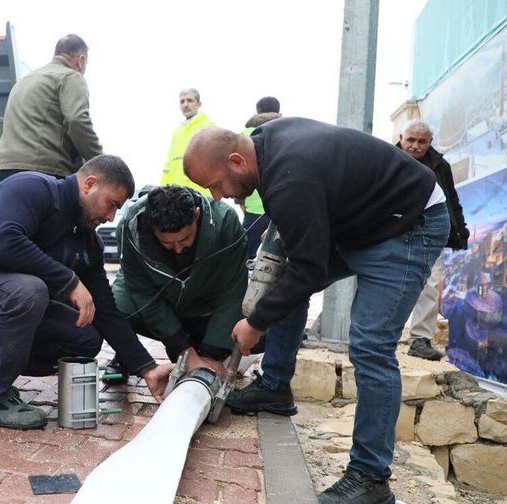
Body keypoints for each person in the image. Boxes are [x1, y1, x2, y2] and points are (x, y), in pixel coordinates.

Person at [183, 118, 449, 504]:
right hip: (364, 219)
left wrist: (255, 322)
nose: (218, 195)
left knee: (371, 345)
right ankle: (274, 387)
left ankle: (370, 479)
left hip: (407, 223)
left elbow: (309, 267)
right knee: (282, 283)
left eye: (215, 184)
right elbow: (302, 246)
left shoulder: (290, 179)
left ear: (238, 161)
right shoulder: (268, 145)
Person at [0, 154, 172, 430]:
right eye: (111, 204)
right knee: (30, 290)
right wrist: (69, 281)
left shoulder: (89, 242)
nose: (111, 216)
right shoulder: (32, 188)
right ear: (89, 184)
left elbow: (106, 311)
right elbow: (3, 245)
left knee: (84, 338)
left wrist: (147, 368)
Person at [104, 184, 306, 386]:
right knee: (113, 309)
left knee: (263, 331)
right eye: (167, 243)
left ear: (197, 215)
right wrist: (182, 348)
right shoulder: (131, 227)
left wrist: (211, 354)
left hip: (203, 309)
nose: (177, 249)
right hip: (156, 300)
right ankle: (127, 356)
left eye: (184, 239)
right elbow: (142, 292)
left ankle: (206, 347)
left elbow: (232, 291)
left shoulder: (225, 222)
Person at [397, 119, 470, 361]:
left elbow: (451, 199)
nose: (416, 146)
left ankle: (420, 339)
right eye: (411, 140)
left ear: (429, 142)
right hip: (393, 231)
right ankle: (379, 335)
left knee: (429, 285)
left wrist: (460, 232)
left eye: (422, 141)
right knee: (386, 280)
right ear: (401, 137)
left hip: (430, 232)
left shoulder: (440, 165)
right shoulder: (386, 157)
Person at [0, 34, 102, 186]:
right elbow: (77, 121)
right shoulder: (71, 77)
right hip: (42, 174)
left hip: (2, 172)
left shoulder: (25, 80)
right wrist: (101, 164)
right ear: (81, 60)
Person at [236, 109, 281, 258]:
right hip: (277, 210)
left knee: (244, 255)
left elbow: (238, 171)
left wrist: (241, 201)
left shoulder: (244, 134)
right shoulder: (281, 130)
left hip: (253, 210)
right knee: (279, 254)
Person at [160, 89, 216, 193]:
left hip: (199, 193)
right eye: (182, 101)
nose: (185, 104)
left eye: (190, 100)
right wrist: (163, 189)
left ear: (199, 104)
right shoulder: (177, 132)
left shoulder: (208, 127)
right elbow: (169, 165)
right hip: (176, 194)